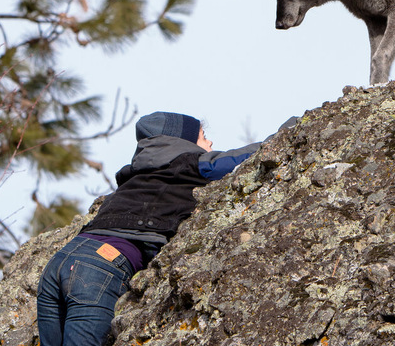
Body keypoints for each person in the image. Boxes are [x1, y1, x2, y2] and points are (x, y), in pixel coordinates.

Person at [35, 111, 279, 346]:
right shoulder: (190, 163)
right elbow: (243, 157)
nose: (210, 142)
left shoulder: (132, 176)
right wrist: (293, 128)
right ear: (181, 141)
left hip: (62, 261)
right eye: (203, 136)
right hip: (101, 266)